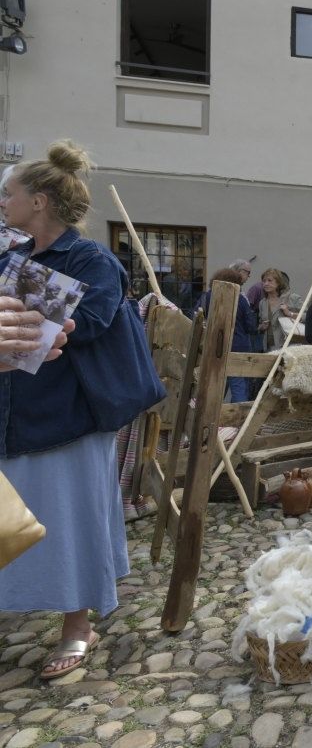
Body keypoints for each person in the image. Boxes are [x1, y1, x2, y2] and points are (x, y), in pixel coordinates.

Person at [0, 140, 159, 679]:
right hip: (12, 411)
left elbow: (84, 325)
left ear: (39, 201)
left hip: (68, 415)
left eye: (10, 193)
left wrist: (19, 308)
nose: (3, 202)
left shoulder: (91, 260)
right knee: (10, 521)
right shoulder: (10, 255)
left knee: (68, 523)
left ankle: (77, 625)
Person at [193, 268, 258, 402]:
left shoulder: (207, 296)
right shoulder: (240, 299)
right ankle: (237, 419)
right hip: (238, 346)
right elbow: (250, 326)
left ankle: (211, 416)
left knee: (215, 384)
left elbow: (196, 316)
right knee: (239, 384)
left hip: (214, 345)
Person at [258, 268, 302, 353]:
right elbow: (260, 322)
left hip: (290, 346)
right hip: (270, 347)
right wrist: (262, 327)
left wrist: (290, 313)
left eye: (270, 280)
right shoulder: (262, 303)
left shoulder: (292, 298)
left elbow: (307, 316)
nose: (266, 283)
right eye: (264, 281)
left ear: (278, 282)